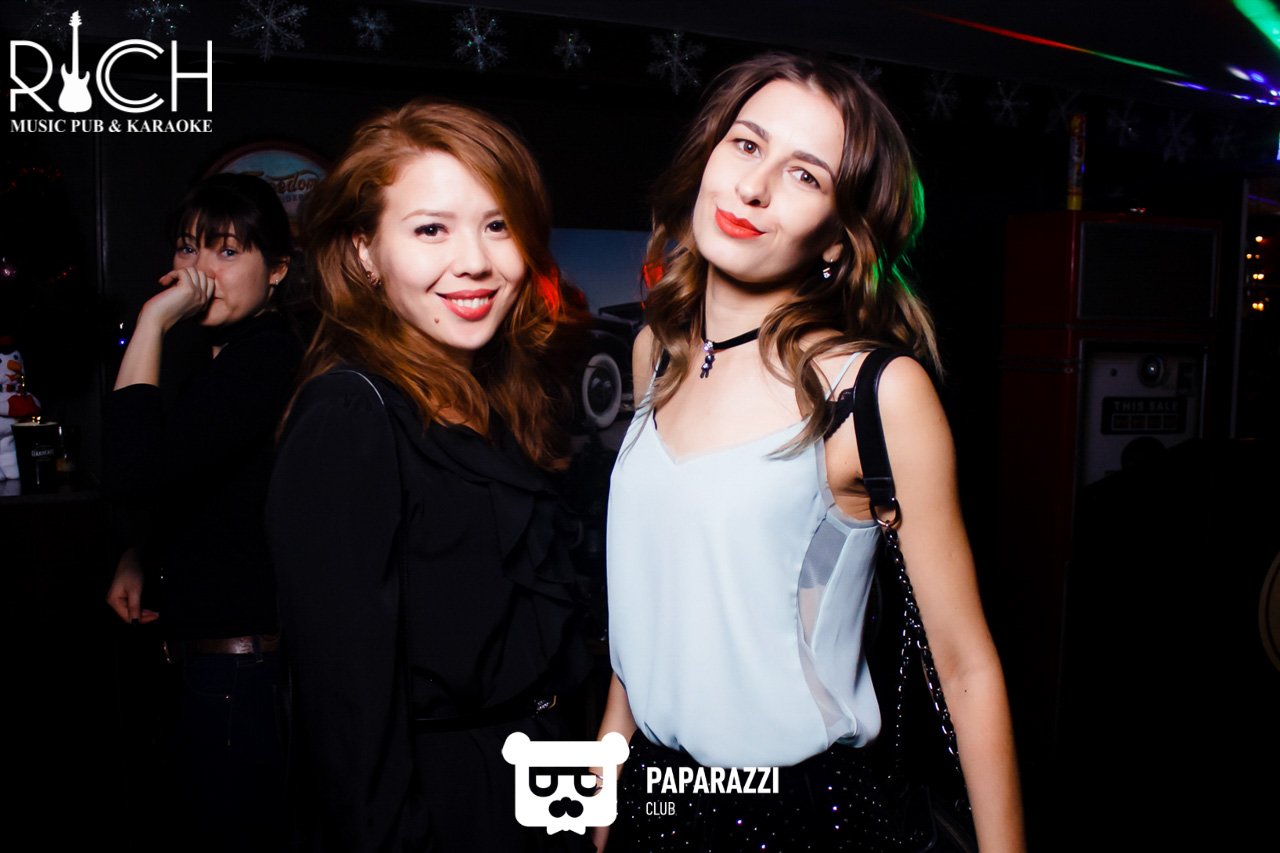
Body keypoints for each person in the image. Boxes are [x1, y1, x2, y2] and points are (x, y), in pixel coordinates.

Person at [599, 53, 1025, 851]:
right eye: (746, 144)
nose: (753, 188)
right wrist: (607, 781)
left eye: (805, 175)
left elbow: (964, 663)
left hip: (796, 815)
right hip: (650, 795)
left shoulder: (872, 392)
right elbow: (656, 604)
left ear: (837, 236)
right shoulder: (654, 351)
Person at [267, 100, 591, 852]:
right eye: (431, 229)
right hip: (448, 809)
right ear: (364, 252)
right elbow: (346, 717)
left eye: (498, 224)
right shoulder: (350, 416)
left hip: (544, 788)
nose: (475, 260)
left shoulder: (505, 400)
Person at [103, 172, 302, 851]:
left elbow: (130, 474)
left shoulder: (267, 357)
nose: (201, 270)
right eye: (190, 248)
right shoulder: (222, 360)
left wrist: (152, 319)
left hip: (241, 671)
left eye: (228, 250)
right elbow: (202, 486)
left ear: (277, 270)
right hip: (215, 664)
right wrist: (143, 555)